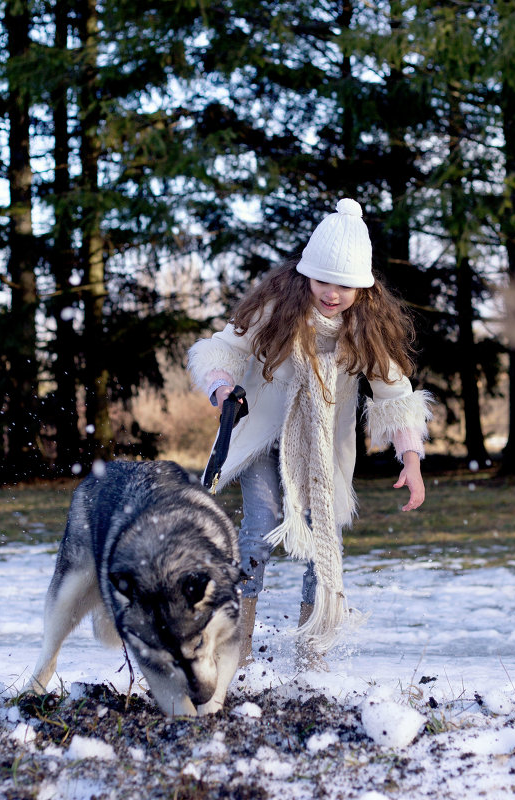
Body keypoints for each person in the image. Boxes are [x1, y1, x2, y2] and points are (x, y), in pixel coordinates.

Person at [187, 198, 434, 668]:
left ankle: (312, 646)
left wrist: (411, 459)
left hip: (323, 448)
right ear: (305, 275)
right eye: (323, 280)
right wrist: (221, 387)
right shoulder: (277, 309)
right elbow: (225, 347)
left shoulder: (365, 329)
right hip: (263, 435)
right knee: (261, 523)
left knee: (323, 537)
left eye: (344, 285)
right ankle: (236, 641)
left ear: (362, 287)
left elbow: (396, 393)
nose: (332, 293)